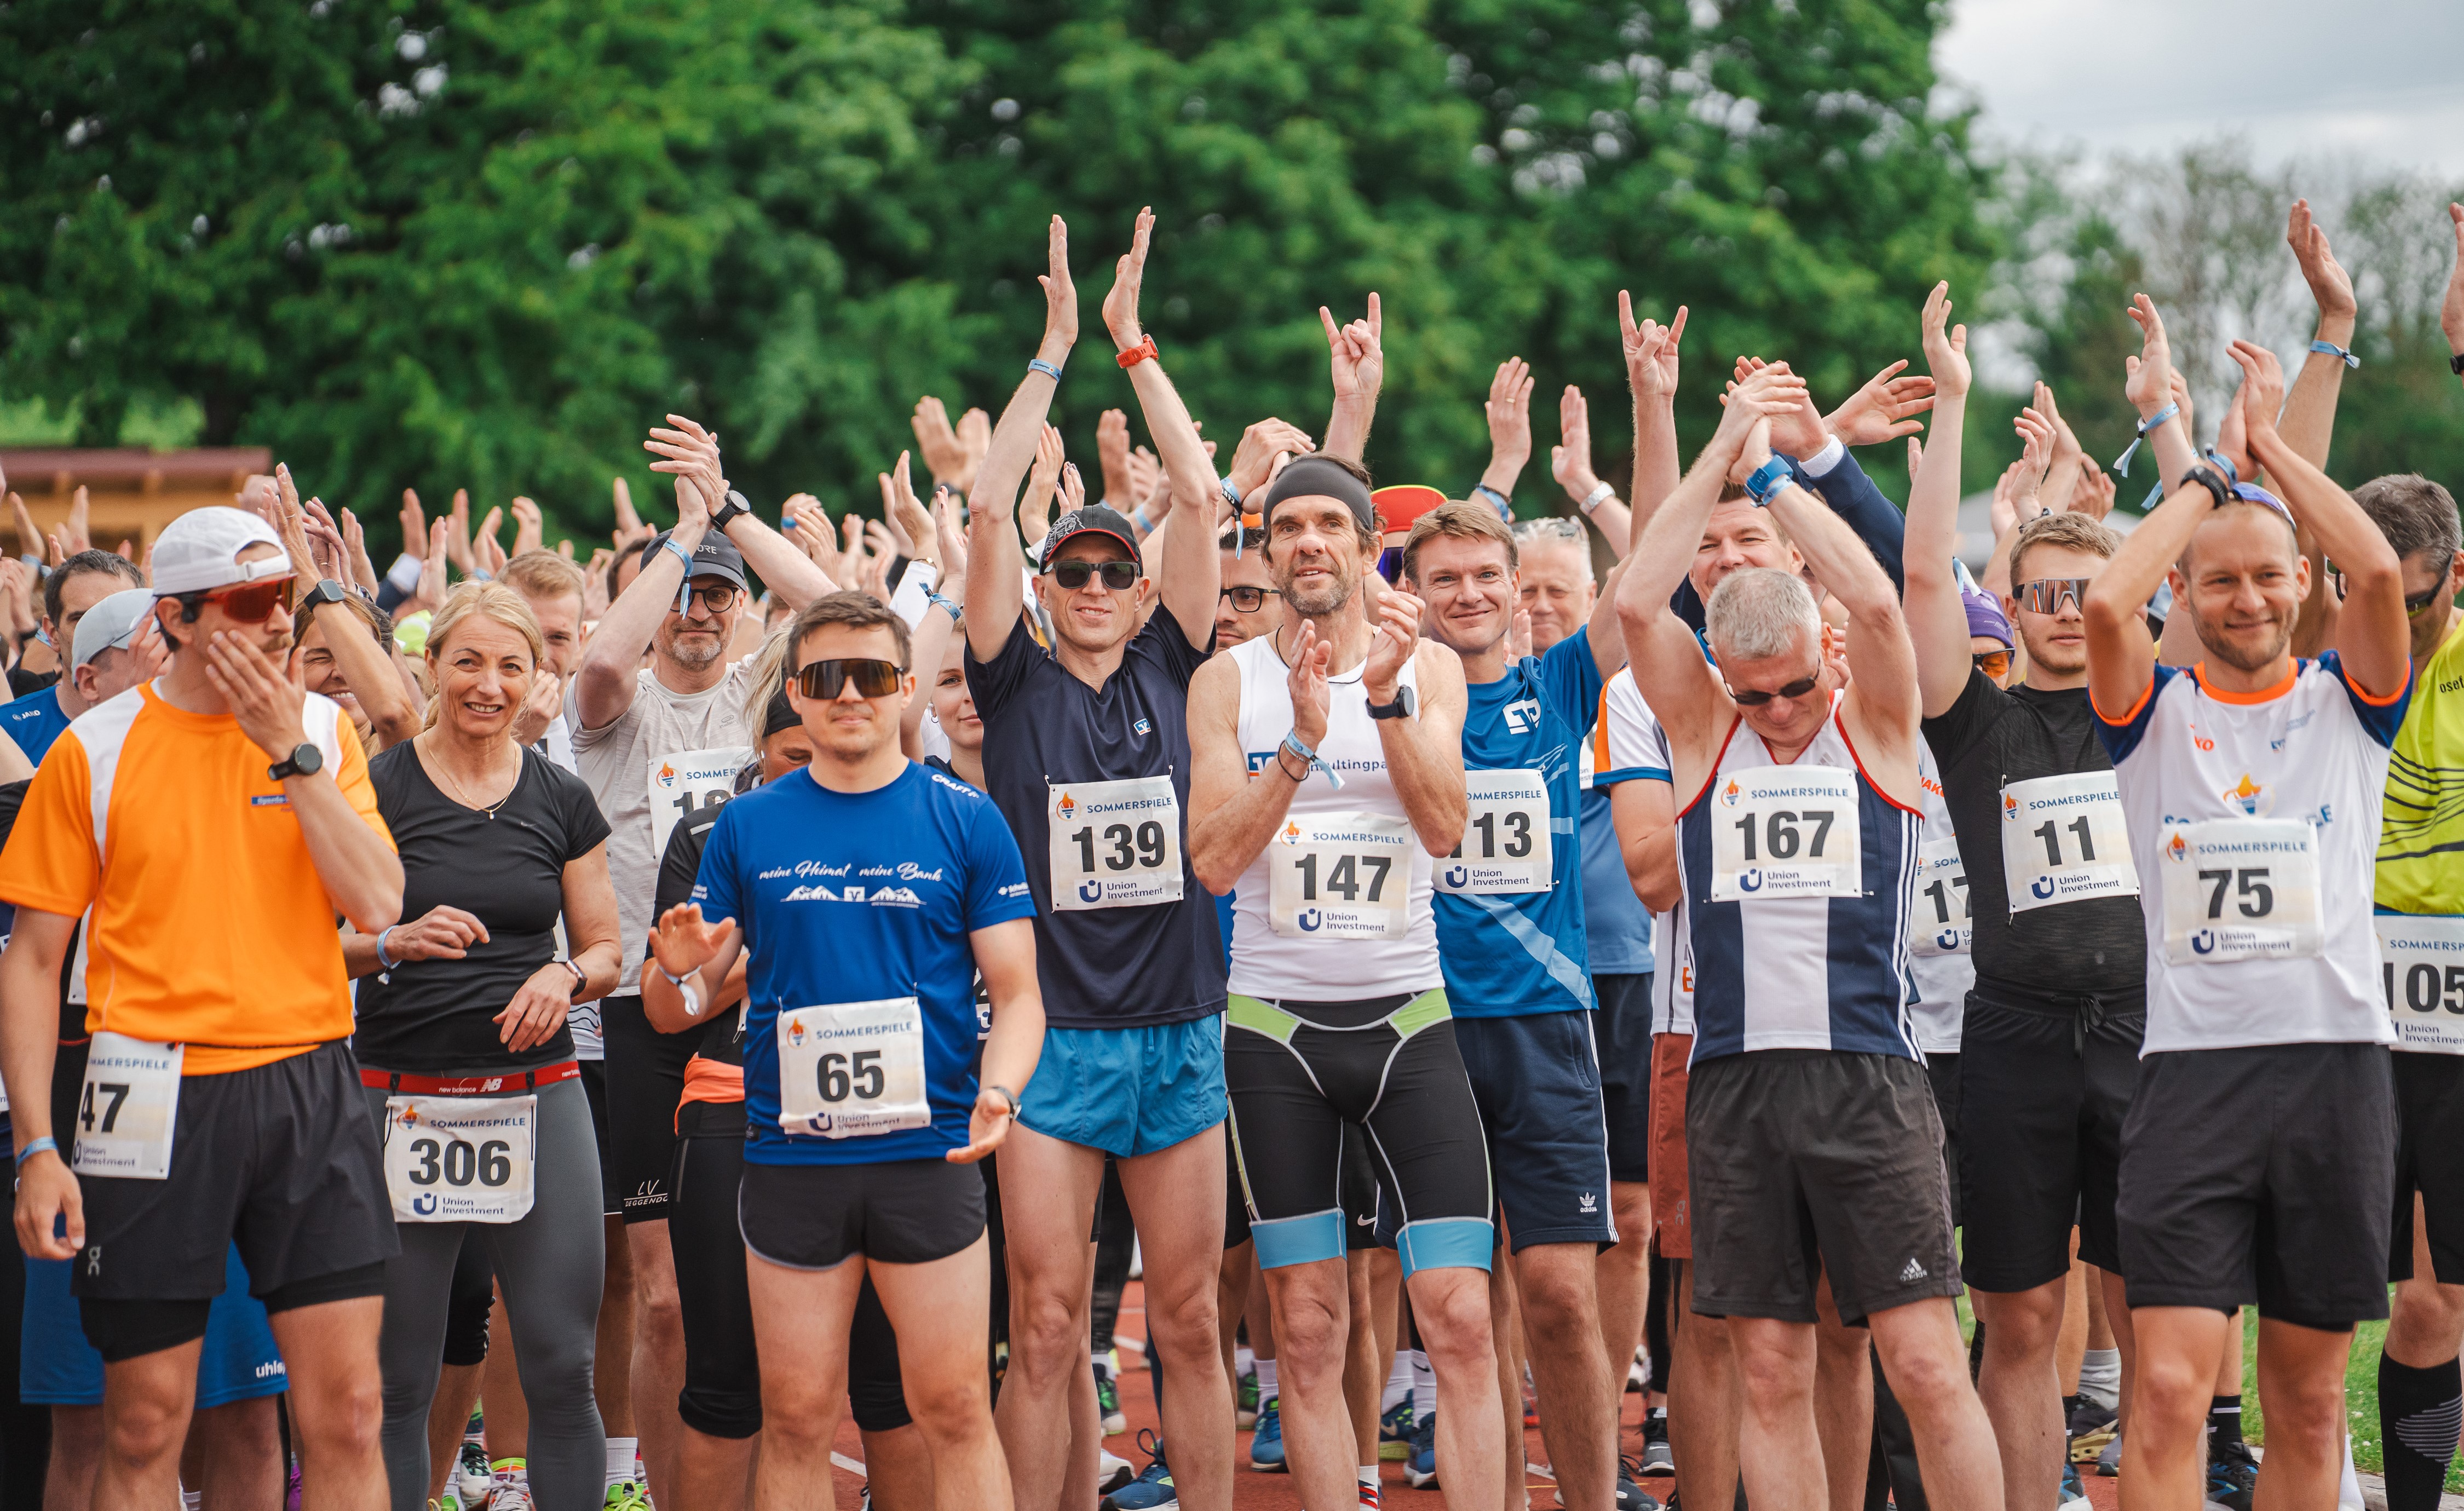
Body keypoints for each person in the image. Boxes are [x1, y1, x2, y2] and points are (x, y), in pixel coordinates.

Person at [1613, 364, 2005, 1509]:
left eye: (1791, 689)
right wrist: (1723, 446)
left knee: (1923, 1360)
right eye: (1755, 696)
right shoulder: (1705, 726)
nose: (1778, 713)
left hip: (1869, 1078)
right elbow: (1637, 603)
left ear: (1819, 659)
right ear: (1722, 678)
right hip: (1736, 1083)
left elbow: (1881, 601)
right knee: (1770, 1370)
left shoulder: (1873, 720)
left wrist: (1778, 475)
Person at [0, 504, 405, 1509]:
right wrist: (38, 1145)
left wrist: (290, 751)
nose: (278, 622)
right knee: (142, 1421)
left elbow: (378, 903)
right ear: (176, 618)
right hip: (144, 1085)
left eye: (286, 598)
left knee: (350, 1410)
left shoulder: (324, 731)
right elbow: (34, 959)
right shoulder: (92, 749)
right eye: (251, 601)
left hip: (309, 1078)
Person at [2082, 333, 2410, 1511]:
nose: (2249, 598)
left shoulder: (2350, 704)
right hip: (2192, 1079)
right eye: (2219, 580)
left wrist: (2271, 451)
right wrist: (2211, 481)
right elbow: (2108, 596)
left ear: (2302, 582)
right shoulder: (2151, 713)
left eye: (2270, 576)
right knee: (2169, 1388)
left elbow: (2379, 572)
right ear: (2185, 594)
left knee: (2311, 1402)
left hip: (2335, 1070)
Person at [642, 590, 1045, 1511]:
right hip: (793, 1162)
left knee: (953, 1408)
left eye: (870, 674)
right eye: (827, 676)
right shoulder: (746, 825)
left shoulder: (967, 817)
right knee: (795, 1417)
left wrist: (1001, 1090)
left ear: (904, 687)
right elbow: (675, 1009)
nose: (850, 694)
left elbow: (1020, 994)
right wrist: (674, 968)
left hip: (930, 1153)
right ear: (796, 692)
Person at [958, 214, 1237, 1511]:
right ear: (1042, 582)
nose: (1090, 583)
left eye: (1111, 569)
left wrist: (1133, 342)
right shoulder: (1010, 682)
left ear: (1140, 587)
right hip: (1054, 1039)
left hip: (1178, 1026)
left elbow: (1202, 493)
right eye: (1069, 567)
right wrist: (1054, 346)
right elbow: (983, 505)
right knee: (1048, 1319)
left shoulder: (1175, 662)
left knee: (1188, 1319)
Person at [1186, 446, 1509, 1511]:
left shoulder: (1430, 666)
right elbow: (1213, 860)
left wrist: (1384, 701)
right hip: (1274, 1035)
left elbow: (1446, 827)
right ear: (1268, 551)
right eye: (1288, 527)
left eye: (1330, 523)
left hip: (1411, 1022)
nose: (1308, 541)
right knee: (1309, 1323)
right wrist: (1297, 748)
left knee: (1460, 1313)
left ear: (1372, 547)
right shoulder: (1228, 681)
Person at [1897, 283, 2150, 1511]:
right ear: (2015, 603)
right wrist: (1951, 402)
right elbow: (1922, 579)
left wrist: (2175, 430)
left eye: (2084, 593)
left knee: (2159, 1311)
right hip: (2013, 1038)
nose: (2062, 613)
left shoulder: (2158, 715)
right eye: (2040, 593)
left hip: (2148, 1031)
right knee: (2023, 1313)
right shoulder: (1978, 721)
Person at [568, 418, 829, 1505]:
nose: (698, 610)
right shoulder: (617, 710)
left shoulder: (763, 695)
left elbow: (836, 610)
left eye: (718, 594)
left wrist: (729, 515)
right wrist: (679, 543)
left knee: (767, 1281)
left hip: (761, 1004)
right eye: (681, 594)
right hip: (644, 1008)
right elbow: (597, 659)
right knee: (663, 1293)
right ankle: (650, 1483)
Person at [343, 582, 626, 1511]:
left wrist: (564, 975)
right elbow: (308, 942)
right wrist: (392, 939)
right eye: (467, 661)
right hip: (400, 1096)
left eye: (511, 665)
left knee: (561, 1362)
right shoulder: (378, 788)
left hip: (536, 1094)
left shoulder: (562, 794)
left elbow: (606, 948)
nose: (488, 684)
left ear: (538, 675)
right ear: (432, 666)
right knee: (396, 1377)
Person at [1398, 501, 1631, 1511]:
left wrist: (1669, 430)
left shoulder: (1563, 683)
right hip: (1427, 1033)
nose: (1469, 594)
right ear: (1413, 593)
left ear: (1512, 583)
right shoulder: (1389, 699)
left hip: (1545, 1026)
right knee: (1465, 1311)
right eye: (1444, 578)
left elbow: (1647, 577)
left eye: (1486, 574)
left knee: (1559, 1298)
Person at [1516, 514, 1662, 1471]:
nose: (1537, 608)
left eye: (1556, 592)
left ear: (1592, 598)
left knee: (1632, 1216)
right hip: (1526, 985)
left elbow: (1651, 556)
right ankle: (1511, 1423)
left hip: (1630, 974)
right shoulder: (1472, 691)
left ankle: (1604, 1430)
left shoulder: (1627, 688)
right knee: (1517, 1229)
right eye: (1524, 588)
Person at [2349, 474, 2464, 1511]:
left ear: (2455, 575)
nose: (2389, 615)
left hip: (2454, 1015)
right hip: (2346, 1013)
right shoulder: (2327, 658)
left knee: (2439, 1297)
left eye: (2412, 599)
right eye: (2364, 590)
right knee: (2318, 1290)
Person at [0, 549, 146, 756]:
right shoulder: (9, 731)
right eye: (81, 619)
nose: (100, 633)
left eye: (119, 619)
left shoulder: (180, 723)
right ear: (53, 634)